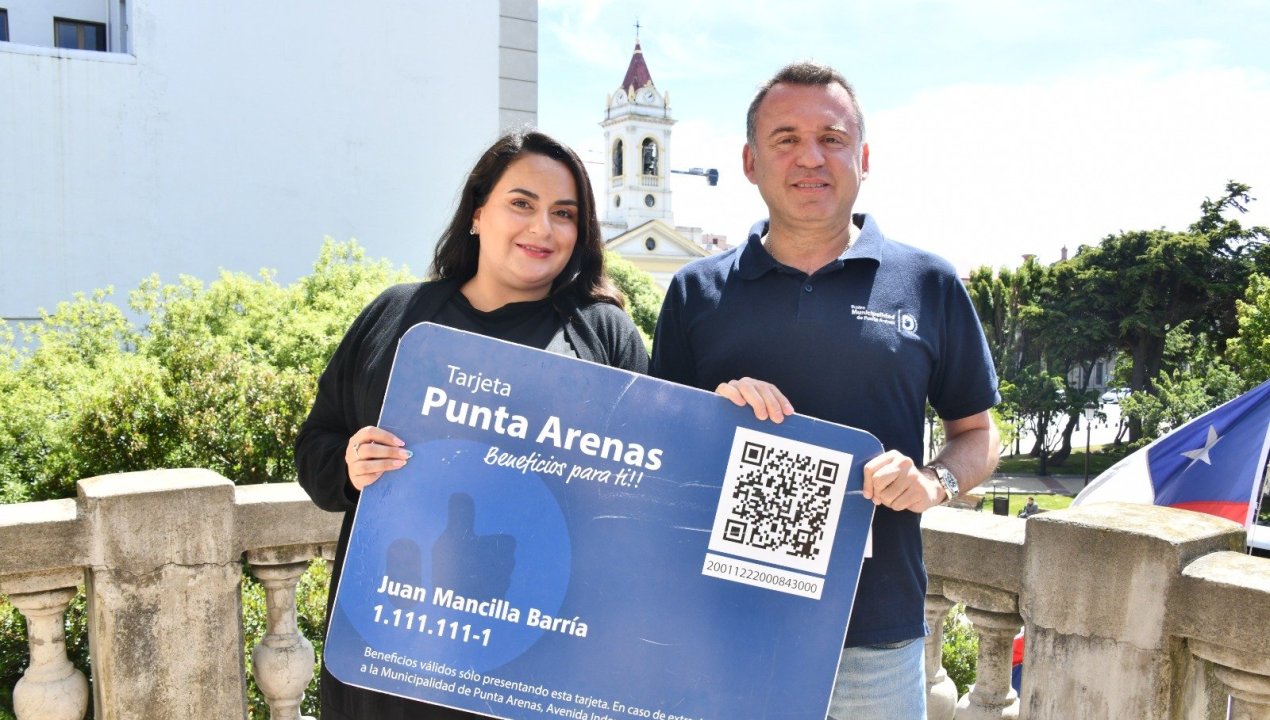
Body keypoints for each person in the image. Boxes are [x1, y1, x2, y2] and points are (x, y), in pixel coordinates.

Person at [650, 63, 1001, 719]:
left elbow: (978, 435)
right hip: (726, 625)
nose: (810, 157)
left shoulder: (930, 283)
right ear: (751, 162)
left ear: (863, 159)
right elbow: (658, 452)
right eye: (785, 139)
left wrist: (936, 482)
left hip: (875, 635)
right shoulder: (695, 291)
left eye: (832, 139)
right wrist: (711, 415)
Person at [295, 129, 649, 720]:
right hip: (392, 658)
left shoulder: (603, 334)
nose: (543, 228)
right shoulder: (397, 315)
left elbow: (651, 491)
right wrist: (350, 465)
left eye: (564, 213)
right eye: (522, 203)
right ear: (478, 214)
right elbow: (315, 450)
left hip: (537, 662)